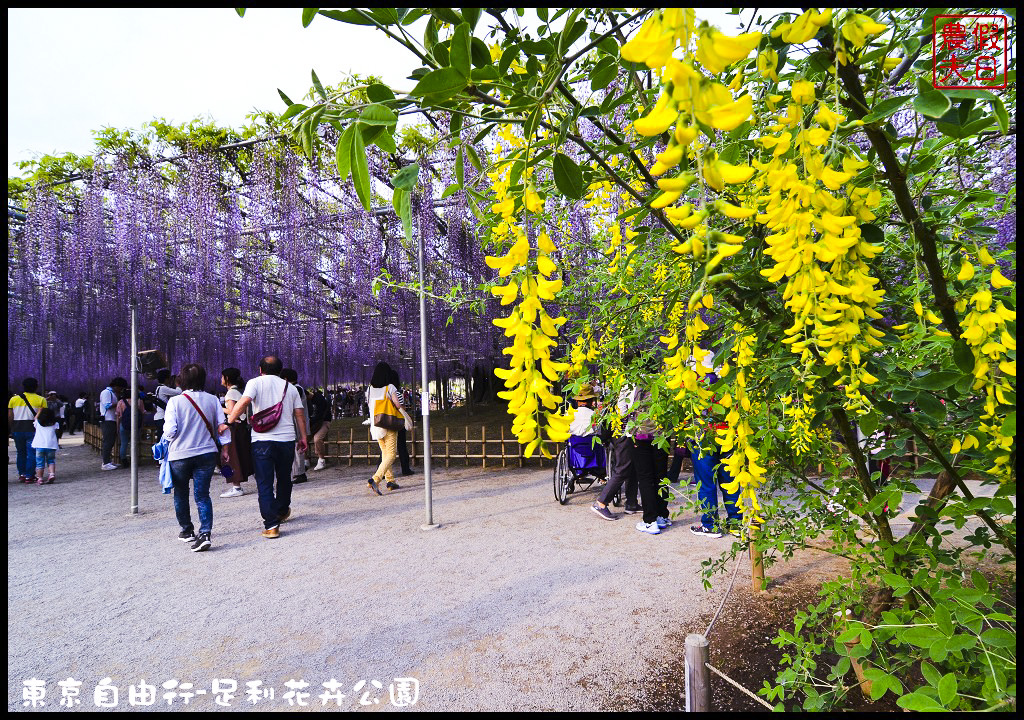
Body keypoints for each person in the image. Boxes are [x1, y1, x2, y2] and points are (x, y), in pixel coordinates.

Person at [226, 355, 308, 539]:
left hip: (262, 440)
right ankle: (281, 510)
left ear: (260, 369)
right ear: (280, 371)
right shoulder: (291, 388)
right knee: (284, 478)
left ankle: (271, 525)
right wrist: (303, 438)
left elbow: (244, 402)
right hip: (286, 440)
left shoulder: (254, 383)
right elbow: (300, 415)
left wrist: (229, 421)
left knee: (264, 483)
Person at [161, 363, 231, 553]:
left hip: (180, 454)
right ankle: (205, 533)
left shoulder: (175, 402)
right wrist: (225, 449)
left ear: (182, 380)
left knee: (181, 493)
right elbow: (221, 426)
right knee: (202, 495)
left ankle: (187, 531)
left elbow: (170, 431)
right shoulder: (212, 400)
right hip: (207, 453)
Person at [689, 370, 742, 538]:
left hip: (703, 438)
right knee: (730, 482)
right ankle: (736, 523)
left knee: (706, 484)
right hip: (728, 437)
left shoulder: (693, 381)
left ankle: (710, 525)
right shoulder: (729, 381)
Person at [364, 361, 414, 494]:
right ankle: (376, 478)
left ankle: (391, 481)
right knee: (391, 454)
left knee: (385, 453)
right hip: (389, 424)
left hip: (376, 425)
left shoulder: (368, 390)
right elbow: (398, 405)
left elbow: (369, 406)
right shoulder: (390, 387)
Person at [219, 368, 253, 498]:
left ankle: (236, 486)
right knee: (244, 455)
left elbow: (233, 411)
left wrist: (219, 407)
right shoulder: (240, 391)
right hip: (243, 427)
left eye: (222, 377)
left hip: (234, 427)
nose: (220, 379)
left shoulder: (231, 393)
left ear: (227, 378)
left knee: (230, 457)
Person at [9, 378, 47, 483]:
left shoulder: (14, 399)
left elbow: (10, 416)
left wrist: (11, 428)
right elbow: (44, 417)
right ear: (36, 386)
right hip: (33, 429)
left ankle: (22, 474)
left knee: (20, 452)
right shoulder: (41, 399)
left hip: (17, 428)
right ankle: (29, 476)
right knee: (32, 453)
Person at [280, 368, 309, 484]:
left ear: (286, 379)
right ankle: (297, 472)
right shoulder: (298, 388)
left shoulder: (295, 389)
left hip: (297, 423)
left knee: (298, 448)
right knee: (296, 447)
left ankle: (300, 473)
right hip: (296, 421)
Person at [389, 368, 414, 476]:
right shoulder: (396, 393)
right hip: (398, 423)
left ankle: (383, 470)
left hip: (388, 422)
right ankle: (405, 469)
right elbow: (402, 408)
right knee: (402, 446)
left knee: (386, 448)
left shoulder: (385, 392)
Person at [98, 378, 128, 470]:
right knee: (108, 441)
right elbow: (107, 405)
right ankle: (105, 463)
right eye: (121, 388)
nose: (121, 390)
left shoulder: (112, 393)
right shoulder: (106, 392)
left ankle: (108, 461)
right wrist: (119, 403)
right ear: (116, 386)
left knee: (111, 441)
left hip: (112, 419)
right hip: (108, 419)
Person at [115, 387, 146, 468]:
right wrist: (142, 425)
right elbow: (142, 414)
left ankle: (124, 460)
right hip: (136, 425)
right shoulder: (139, 401)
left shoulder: (121, 402)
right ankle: (133, 460)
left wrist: (117, 427)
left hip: (124, 425)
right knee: (134, 443)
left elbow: (118, 416)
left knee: (124, 443)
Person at [32, 406, 60, 484]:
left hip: (39, 445)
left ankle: (40, 478)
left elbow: (35, 418)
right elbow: (57, 431)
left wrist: (39, 411)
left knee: (39, 463)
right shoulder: (55, 423)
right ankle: (51, 474)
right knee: (51, 461)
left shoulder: (38, 422)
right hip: (51, 445)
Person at [307, 387, 332, 472]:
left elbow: (320, 416)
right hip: (313, 423)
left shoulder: (319, 399)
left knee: (317, 439)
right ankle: (305, 460)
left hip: (324, 421)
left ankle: (321, 460)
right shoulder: (306, 401)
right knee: (302, 439)